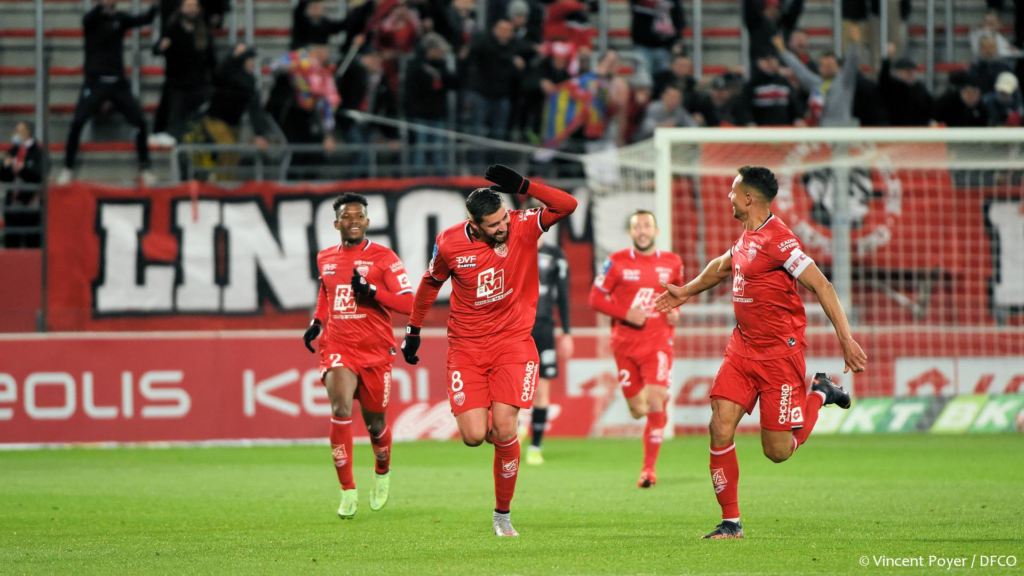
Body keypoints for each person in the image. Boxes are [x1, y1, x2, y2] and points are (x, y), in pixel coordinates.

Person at [654, 166, 867, 539]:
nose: (729, 197)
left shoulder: (780, 241)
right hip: (742, 348)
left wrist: (846, 340)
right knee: (719, 425)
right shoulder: (746, 237)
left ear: (748, 198)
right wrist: (684, 292)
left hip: (778, 357)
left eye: (734, 191)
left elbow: (823, 285)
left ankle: (820, 391)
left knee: (778, 451)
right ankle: (731, 522)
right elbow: (722, 267)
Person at [401, 165, 577, 536]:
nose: (502, 228)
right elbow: (430, 283)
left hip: (513, 343)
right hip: (465, 347)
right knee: (473, 435)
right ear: (474, 225)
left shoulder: (523, 224)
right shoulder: (449, 243)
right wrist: (413, 329)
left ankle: (502, 514)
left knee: (505, 427)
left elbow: (567, 204)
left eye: (502, 219)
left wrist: (526, 186)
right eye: (494, 225)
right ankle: (501, 446)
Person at [303, 193, 415, 519]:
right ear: (336, 223)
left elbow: (409, 304)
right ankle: (347, 489)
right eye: (346, 217)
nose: (353, 221)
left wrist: (372, 292)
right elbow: (326, 293)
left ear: (367, 221)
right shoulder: (325, 257)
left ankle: (382, 471)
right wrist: (317, 322)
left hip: (376, 350)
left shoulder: (384, 258)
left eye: (359, 216)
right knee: (339, 409)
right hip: (337, 346)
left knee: (376, 423)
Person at [589, 210, 682, 488]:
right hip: (625, 345)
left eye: (646, 226)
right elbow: (595, 298)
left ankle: (648, 470)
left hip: (658, 343)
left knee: (654, 402)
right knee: (637, 410)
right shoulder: (615, 262)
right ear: (630, 233)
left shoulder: (673, 262)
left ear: (656, 231)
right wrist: (626, 314)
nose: (642, 231)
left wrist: (676, 311)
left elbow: (677, 296)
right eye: (637, 227)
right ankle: (656, 402)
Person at [57, 0, 158, 185]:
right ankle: (67, 168)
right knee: (77, 121)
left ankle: (145, 167)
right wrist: (101, 6)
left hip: (118, 82)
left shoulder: (120, 18)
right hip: (95, 82)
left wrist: (155, 6)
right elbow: (87, 20)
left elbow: (145, 19)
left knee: (140, 121)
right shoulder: (92, 19)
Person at [181, 44, 271, 181]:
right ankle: (220, 184)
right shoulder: (227, 74)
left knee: (234, 155)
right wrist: (239, 54)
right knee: (228, 147)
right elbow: (221, 71)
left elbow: (255, 109)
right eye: (249, 60)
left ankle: (228, 184)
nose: (252, 63)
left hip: (233, 124)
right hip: (215, 120)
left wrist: (260, 133)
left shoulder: (250, 81)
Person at [523, 235, 573, 465]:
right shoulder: (513, 250)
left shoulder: (555, 256)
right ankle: (516, 428)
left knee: (542, 389)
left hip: (543, 328)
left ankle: (535, 446)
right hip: (516, 328)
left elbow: (563, 296)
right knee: (512, 384)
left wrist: (567, 333)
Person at [152, 0, 216, 145]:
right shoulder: (172, 30)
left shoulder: (204, 32)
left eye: (194, 6)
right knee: (177, 126)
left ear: (199, 9)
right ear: (181, 9)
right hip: (178, 86)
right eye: (188, 6)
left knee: (206, 122)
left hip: (199, 85)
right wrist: (161, 47)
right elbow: (156, 49)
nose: (191, 10)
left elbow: (212, 61)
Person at [775, 26, 862, 126]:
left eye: (830, 65)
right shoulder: (816, 83)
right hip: (822, 132)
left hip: (842, 132)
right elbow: (799, 69)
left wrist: (854, 43)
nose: (826, 68)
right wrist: (783, 51)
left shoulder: (845, 82)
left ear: (838, 68)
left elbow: (852, 62)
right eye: (823, 65)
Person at [1, 121, 43, 248]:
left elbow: (39, 175)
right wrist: (6, 166)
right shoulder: (12, 152)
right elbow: (3, 176)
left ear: (27, 133)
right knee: (11, 245)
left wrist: (23, 169)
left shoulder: (38, 153)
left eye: (18, 131)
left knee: (32, 245)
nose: (15, 134)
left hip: (30, 206)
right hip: (12, 207)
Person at [736, 51, 804, 126]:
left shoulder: (784, 83)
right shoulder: (753, 84)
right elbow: (745, 107)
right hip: (761, 131)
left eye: (773, 60)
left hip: (783, 130)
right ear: (759, 62)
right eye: (766, 60)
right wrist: (749, 122)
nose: (770, 63)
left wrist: (798, 118)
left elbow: (794, 103)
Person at [878, 43, 932, 126]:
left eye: (912, 71)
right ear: (897, 72)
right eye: (906, 71)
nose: (910, 74)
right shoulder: (892, 88)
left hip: (918, 131)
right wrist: (887, 59)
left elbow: (929, 107)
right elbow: (883, 79)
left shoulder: (920, 88)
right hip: (895, 130)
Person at [629, 0, 686, 75]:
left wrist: (677, 40)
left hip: (664, 47)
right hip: (642, 45)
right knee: (642, 79)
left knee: (663, 80)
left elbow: (678, 19)